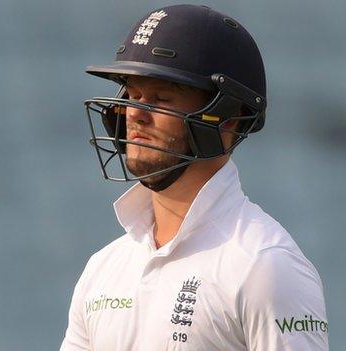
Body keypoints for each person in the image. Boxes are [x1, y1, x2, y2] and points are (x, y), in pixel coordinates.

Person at [60, 4, 328, 350]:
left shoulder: (265, 264)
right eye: (132, 95)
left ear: (227, 118)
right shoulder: (103, 269)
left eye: (161, 99)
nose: (135, 114)